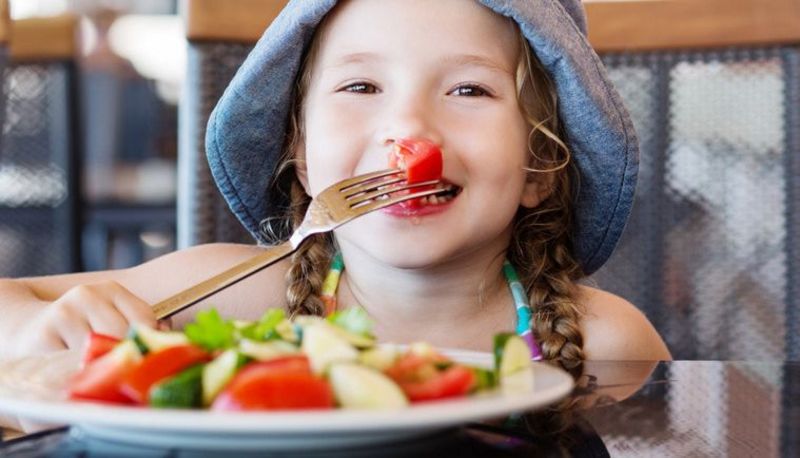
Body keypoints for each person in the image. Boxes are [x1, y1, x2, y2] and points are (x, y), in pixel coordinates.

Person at [0, 0, 670, 362]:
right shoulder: (238, 300)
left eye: (469, 89)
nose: (408, 129)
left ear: (539, 169)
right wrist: (36, 331)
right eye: (361, 85)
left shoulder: (603, 343)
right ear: (300, 152)